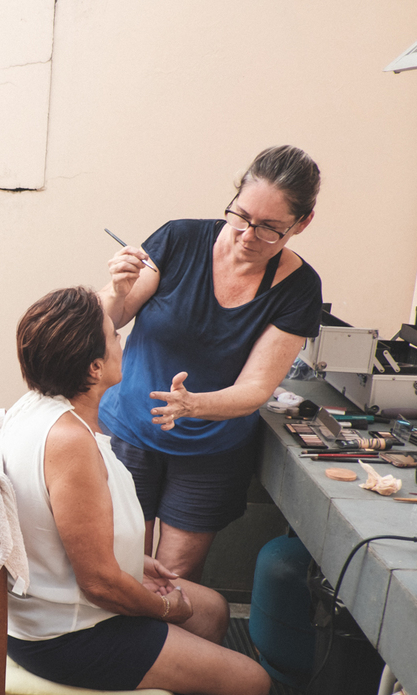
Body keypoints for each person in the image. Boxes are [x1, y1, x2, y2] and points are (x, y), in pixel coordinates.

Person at [0, 287, 270, 695]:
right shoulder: (69, 440)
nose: (121, 341)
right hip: (66, 637)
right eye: (114, 336)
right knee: (249, 684)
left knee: (211, 610)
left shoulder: (37, 410)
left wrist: (132, 559)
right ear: (94, 368)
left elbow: (61, 529)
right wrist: (163, 608)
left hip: (52, 611)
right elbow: (100, 584)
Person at [98, 146, 324, 582]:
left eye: (269, 228)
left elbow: (256, 389)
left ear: (302, 223)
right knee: (124, 569)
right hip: (130, 429)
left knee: (174, 578)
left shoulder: (299, 288)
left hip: (211, 449)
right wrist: (116, 289)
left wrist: (192, 405)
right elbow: (112, 318)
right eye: (241, 216)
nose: (247, 235)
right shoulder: (178, 239)